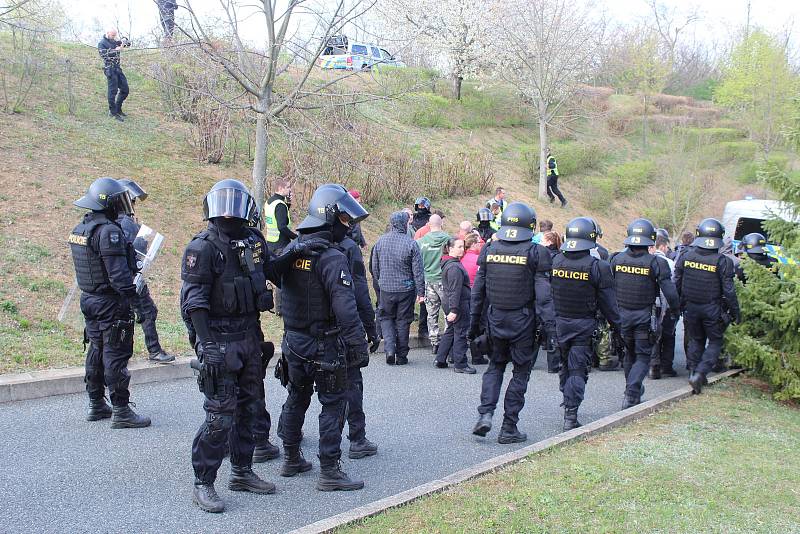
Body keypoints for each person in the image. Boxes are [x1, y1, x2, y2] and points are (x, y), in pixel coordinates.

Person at [181, 179, 318, 512]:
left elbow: (269, 269)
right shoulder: (202, 248)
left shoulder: (253, 239)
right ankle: (204, 482)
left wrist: (294, 251)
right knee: (219, 416)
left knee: (250, 408)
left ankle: (242, 471)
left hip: (249, 336)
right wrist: (207, 346)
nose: (230, 214)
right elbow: (194, 302)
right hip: (218, 340)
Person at [275, 184, 370, 491]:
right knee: (332, 405)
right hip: (325, 344)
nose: (349, 226)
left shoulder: (292, 251)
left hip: (293, 341)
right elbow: (346, 308)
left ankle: (291, 458)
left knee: (296, 397)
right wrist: (359, 346)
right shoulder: (331, 257)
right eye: (344, 219)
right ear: (329, 218)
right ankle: (330, 470)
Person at [469, 202, 556, 444]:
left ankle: (485, 414)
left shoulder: (490, 250)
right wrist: (550, 331)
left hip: (495, 320)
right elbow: (544, 297)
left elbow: (478, 293)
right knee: (520, 373)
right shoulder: (537, 252)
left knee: (495, 367)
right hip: (523, 324)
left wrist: (473, 326)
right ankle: (509, 427)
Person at [68, 177, 150, 428]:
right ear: (109, 203)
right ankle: (121, 410)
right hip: (110, 303)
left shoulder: (82, 228)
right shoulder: (110, 232)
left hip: (89, 299)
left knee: (96, 349)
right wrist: (136, 300)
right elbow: (119, 277)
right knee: (115, 353)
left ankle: (96, 403)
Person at [319, 185, 381, 460]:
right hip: (342, 328)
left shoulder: (304, 245)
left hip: (308, 330)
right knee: (352, 382)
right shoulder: (348, 249)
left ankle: (290, 443)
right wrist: (370, 328)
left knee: (301, 388)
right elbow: (360, 295)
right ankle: (357, 438)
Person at [551, 218, 622, 430]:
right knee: (577, 370)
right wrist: (619, 329)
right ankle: (570, 415)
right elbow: (609, 304)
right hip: (583, 325)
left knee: (566, 366)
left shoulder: (555, 262)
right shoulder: (598, 266)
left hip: (560, 323)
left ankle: (568, 401)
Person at [610, 218, 680, 408]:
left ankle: (632, 389)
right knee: (642, 356)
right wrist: (676, 311)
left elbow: (608, 289)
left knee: (628, 354)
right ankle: (632, 393)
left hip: (621, 317)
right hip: (643, 319)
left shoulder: (616, 259)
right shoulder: (656, 263)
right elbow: (670, 292)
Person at [674, 218, 741, 394]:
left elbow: (677, 283)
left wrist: (678, 306)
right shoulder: (723, 261)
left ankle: (693, 373)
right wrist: (735, 312)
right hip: (711, 308)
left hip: (690, 307)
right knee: (716, 341)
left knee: (696, 339)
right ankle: (700, 374)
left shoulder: (686, 256)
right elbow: (729, 291)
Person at [116, 179, 175, 364]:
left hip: (120, 278)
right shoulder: (126, 223)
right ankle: (154, 350)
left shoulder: (112, 222)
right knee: (147, 312)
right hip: (132, 278)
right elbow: (139, 249)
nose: (134, 205)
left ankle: (121, 351)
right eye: (132, 201)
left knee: (126, 314)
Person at [371, 211, 425, 365]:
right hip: (406, 289)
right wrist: (420, 291)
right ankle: (401, 355)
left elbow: (375, 268)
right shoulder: (411, 243)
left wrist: (380, 282)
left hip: (386, 289)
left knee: (386, 318)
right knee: (403, 321)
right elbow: (418, 271)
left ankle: (389, 349)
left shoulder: (380, 241)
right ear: (404, 224)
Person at [434, 238, 475, 373]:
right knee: (461, 332)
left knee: (451, 330)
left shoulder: (451, 263)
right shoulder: (454, 267)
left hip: (453, 303)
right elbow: (455, 290)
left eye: (463, 247)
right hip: (458, 304)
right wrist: (454, 309)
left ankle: (440, 359)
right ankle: (460, 364)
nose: (461, 249)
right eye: (458, 247)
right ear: (450, 249)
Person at [416, 214, 450, 355]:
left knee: (432, 313)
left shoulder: (420, 242)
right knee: (449, 312)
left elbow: (417, 264)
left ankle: (434, 342)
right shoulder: (448, 240)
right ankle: (448, 340)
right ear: (441, 223)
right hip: (445, 280)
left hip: (428, 281)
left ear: (429, 225)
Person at [649, 233, 678, 379]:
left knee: (653, 334)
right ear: (662, 246)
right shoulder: (670, 263)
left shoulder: (647, 261)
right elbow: (673, 286)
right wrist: (675, 308)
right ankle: (666, 366)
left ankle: (654, 365)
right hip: (665, 304)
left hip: (650, 303)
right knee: (669, 335)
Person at [541, 230, 563, 374]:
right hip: (554, 296)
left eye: (543, 240)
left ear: (549, 242)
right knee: (552, 330)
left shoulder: (543, 255)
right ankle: (553, 365)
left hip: (543, 295)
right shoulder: (560, 257)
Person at [97, 29, 130, 122]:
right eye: (112, 35)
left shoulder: (115, 41)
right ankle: (113, 112)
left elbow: (128, 44)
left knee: (125, 89)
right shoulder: (102, 43)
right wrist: (116, 50)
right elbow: (104, 55)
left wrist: (124, 41)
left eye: (115, 35)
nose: (113, 37)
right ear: (107, 33)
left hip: (118, 69)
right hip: (110, 69)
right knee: (113, 91)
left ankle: (118, 109)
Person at [264, 178, 296, 255]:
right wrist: (296, 238)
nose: (290, 190)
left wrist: (288, 202)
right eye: (288, 187)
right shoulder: (280, 205)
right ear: (280, 188)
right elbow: (282, 227)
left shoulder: (269, 202)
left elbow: (280, 216)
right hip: (281, 247)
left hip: (270, 245)